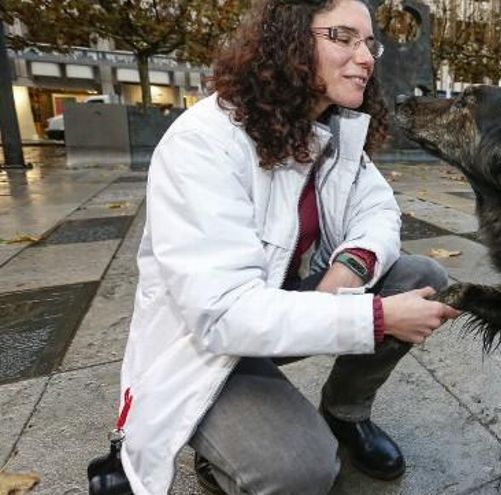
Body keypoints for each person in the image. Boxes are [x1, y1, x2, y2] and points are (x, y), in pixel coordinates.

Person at [114, 0, 459, 493]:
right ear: (291, 40)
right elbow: (223, 312)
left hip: (290, 303)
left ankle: (344, 414)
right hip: (206, 343)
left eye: (369, 43)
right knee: (301, 469)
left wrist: (352, 267)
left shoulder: (333, 132)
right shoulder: (204, 142)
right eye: (344, 37)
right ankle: (220, 457)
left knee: (424, 278)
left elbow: (379, 211)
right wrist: (375, 318)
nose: (366, 57)